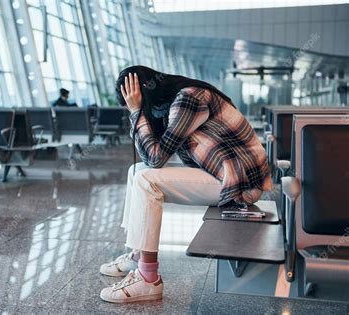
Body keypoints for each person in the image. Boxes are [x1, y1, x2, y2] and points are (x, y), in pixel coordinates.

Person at [99, 65, 273, 303]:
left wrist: (136, 111)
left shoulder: (189, 98)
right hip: (221, 174)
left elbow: (157, 158)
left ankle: (148, 279)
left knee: (146, 179)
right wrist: (140, 113)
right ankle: (138, 255)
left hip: (240, 184)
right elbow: (149, 157)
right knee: (136, 171)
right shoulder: (173, 102)